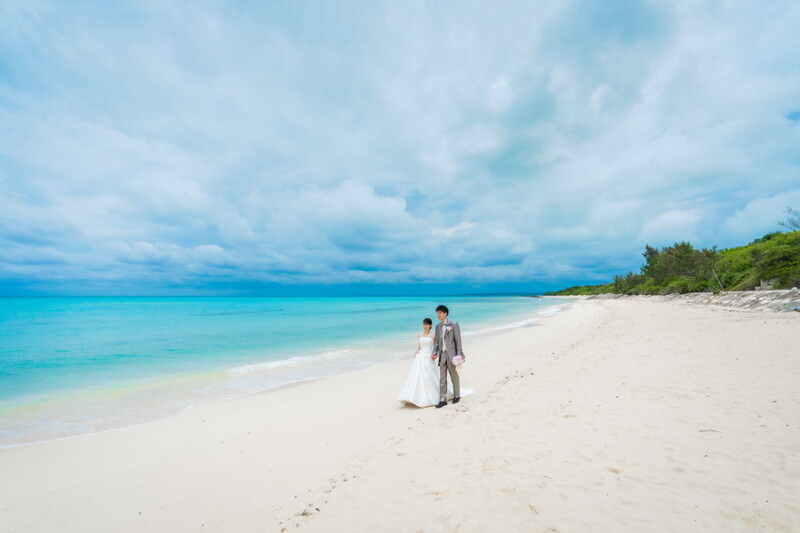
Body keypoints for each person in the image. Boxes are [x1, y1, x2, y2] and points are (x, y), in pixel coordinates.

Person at [397, 318, 452, 407]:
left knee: (430, 375)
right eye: (424, 324)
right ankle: (414, 396)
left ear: (430, 325)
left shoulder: (433, 335)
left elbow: (436, 346)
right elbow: (419, 345)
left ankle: (435, 394)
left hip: (429, 356)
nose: (425, 326)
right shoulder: (419, 334)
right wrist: (417, 349)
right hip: (420, 356)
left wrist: (435, 354)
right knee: (417, 376)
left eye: (427, 324)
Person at [431, 304, 465, 408]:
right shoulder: (438, 327)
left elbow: (458, 341)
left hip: (452, 355)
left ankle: (457, 395)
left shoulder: (454, 324)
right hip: (442, 355)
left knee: (454, 376)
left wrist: (459, 355)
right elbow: (437, 342)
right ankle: (442, 400)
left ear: (445, 313)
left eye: (440, 313)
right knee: (442, 378)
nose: (438, 315)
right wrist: (434, 352)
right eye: (437, 313)